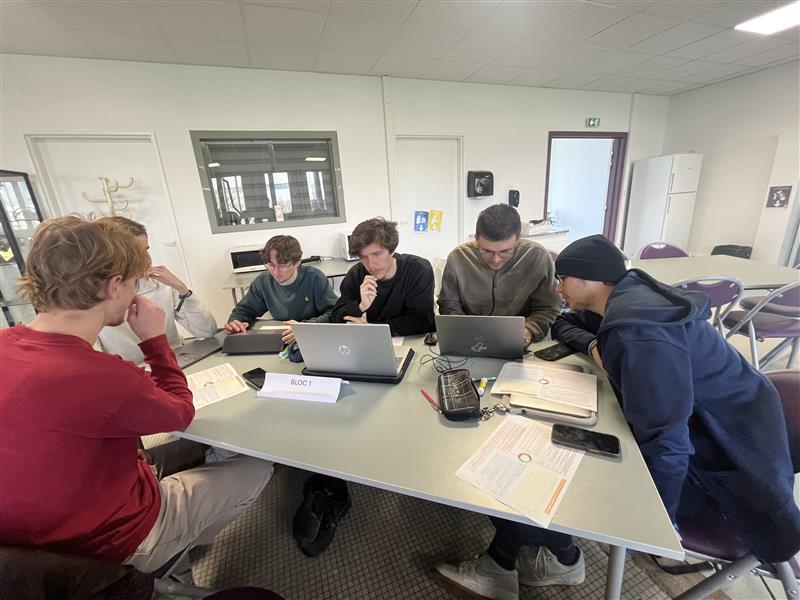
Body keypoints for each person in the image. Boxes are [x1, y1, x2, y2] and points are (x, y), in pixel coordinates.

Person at [434, 234, 800, 600]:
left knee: (533, 475)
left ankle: (513, 563)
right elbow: (566, 322)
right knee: (542, 457)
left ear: (589, 280)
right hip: (722, 434)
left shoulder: (638, 332)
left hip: (725, 472)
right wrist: (594, 345)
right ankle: (550, 558)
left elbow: (669, 440)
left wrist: (658, 522)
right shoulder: (629, 293)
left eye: (563, 279)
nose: (558, 288)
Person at [0, 216, 274, 575]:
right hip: (111, 542)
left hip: (31, 549)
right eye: (132, 282)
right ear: (114, 286)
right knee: (256, 466)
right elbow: (180, 412)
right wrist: (154, 340)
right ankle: (171, 553)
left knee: (182, 452)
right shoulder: (102, 374)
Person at [95, 217, 217, 364]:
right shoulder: (93, 301)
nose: (147, 259)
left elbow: (207, 331)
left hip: (174, 361)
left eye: (146, 250)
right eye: (138, 253)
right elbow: (94, 362)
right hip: (131, 373)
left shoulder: (161, 285)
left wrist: (182, 289)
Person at [437, 204, 560, 345]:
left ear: (518, 238)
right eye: (487, 251)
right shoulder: (458, 258)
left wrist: (530, 329)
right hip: (471, 341)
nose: (496, 260)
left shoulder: (537, 256)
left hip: (521, 342)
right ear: (476, 238)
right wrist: (465, 331)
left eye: (505, 251)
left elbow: (549, 306)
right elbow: (449, 305)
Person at [225, 235, 337, 344]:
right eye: (271, 265)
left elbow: (334, 313)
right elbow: (244, 310)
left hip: (313, 338)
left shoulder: (314, 278)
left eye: (282, 265)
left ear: (297, 262)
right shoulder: (263, 282)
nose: (275, 272)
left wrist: (304, 328)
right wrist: (236, 322)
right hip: (283, 337)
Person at [331, 217, 435, 335]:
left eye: (377, 254)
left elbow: (422, 321)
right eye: (364, 257)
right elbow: (336, 318)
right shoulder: (356, 274)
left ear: (392, 250)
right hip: (370, 343)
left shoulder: (418, 269)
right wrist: (360, 306)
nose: (371, 264)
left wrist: (371, 328)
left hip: (414, 343)